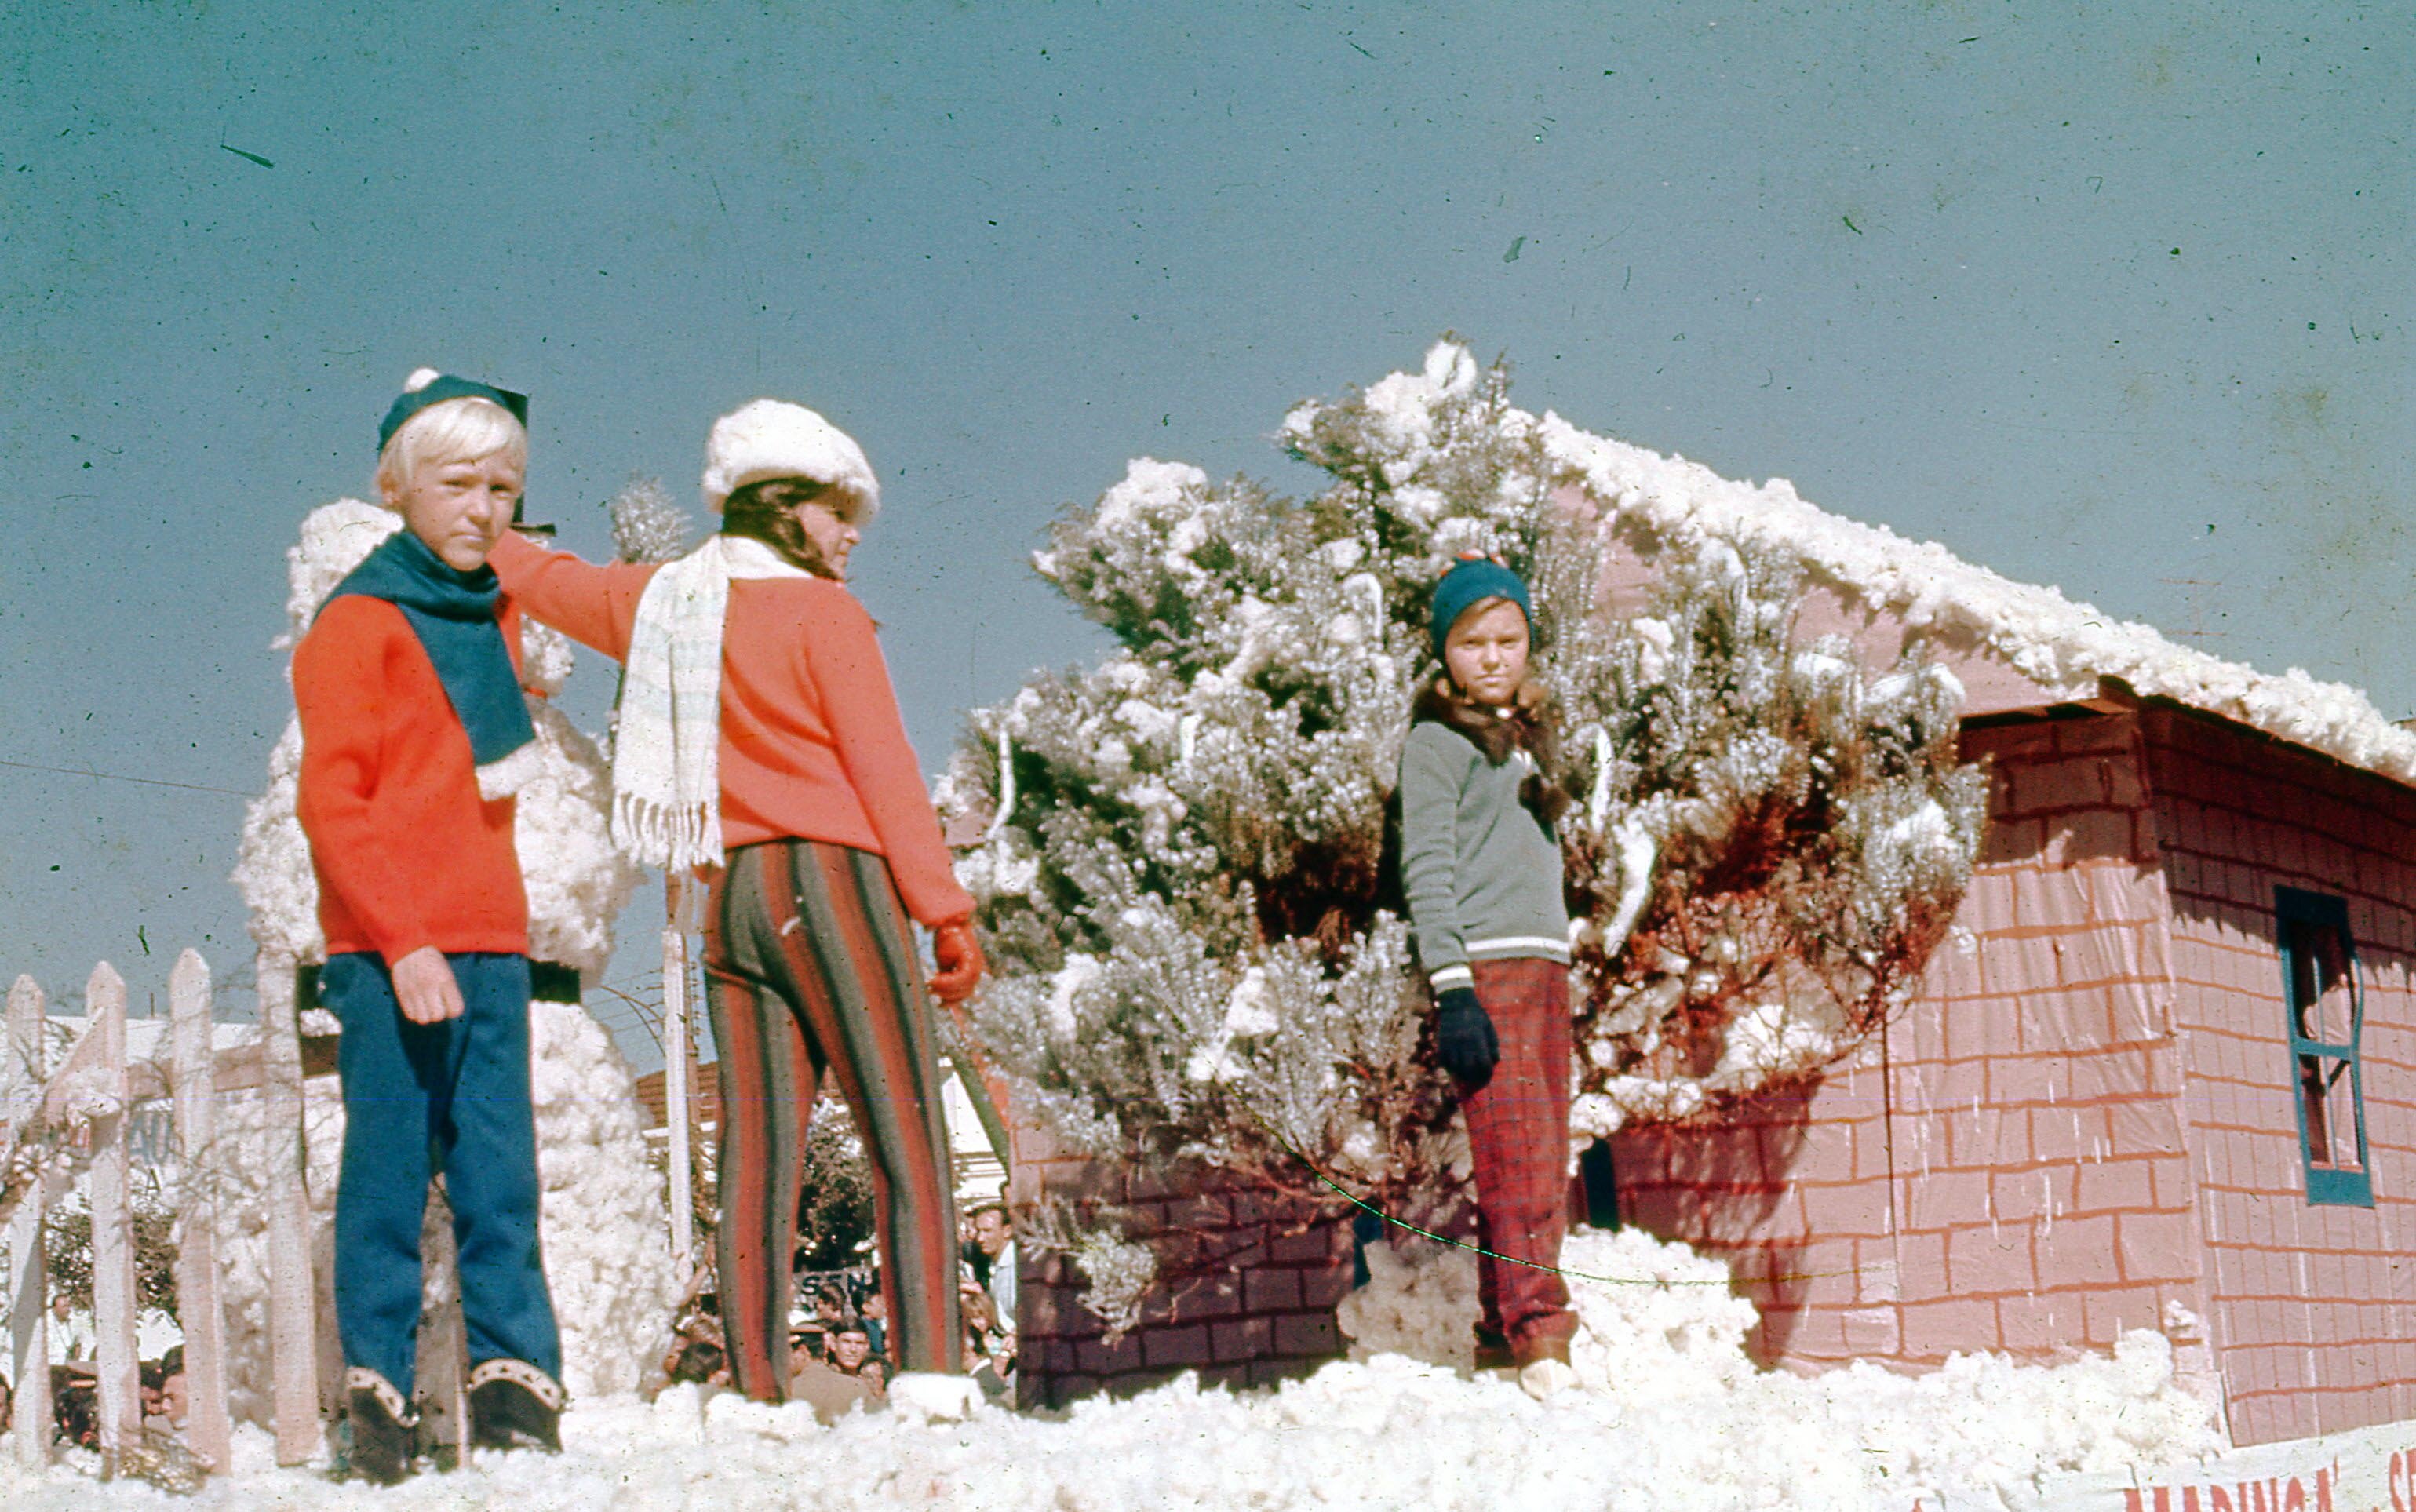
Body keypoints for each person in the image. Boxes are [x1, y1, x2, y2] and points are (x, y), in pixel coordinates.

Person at [489, 399, 983, 1402]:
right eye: (840, 514)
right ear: (789, 509)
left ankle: (757, 1393)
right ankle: (932, 1376)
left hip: (733, 898)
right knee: (909, 1134)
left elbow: (544, 577)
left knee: (755, 1155)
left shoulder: (664, 602)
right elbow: (883, 768)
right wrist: (944, 909)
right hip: (833, 881)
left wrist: (467, 522)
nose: (850, 536)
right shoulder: (824, 613)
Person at [293, 369, 566, 1481]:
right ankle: (377, 1401)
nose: (482, 506)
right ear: (397, 486)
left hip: (494, 943)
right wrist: (401, 939)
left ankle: (515, 1402)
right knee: (388, 1175)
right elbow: (333, 801)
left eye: (503, 485)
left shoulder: (489, 613)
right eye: (456, 482)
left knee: (503, 1177)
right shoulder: (357, 622)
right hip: (390, 949)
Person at [1397, 554, 1582, 1401]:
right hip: (1488, 971)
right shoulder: (1436, 744)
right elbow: (1426, 867)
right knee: (1519, 1157)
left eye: (1509, 640)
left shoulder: (1524, 744)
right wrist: (1453, 984)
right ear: (1446, 653)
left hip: (1545, 969)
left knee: (1538, 1160)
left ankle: (1497, 1334)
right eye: (1473, 643)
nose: (1494, 657)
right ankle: (1542, 1337)